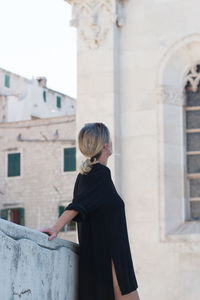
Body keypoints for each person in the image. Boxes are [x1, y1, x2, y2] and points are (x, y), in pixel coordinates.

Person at [39, 122, 140, 300]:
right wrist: (55, 227)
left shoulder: (86, 175)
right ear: (106, 146)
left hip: (111, 261)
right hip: (114, 262)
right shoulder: (99, 174)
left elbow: (80, 205)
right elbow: (77, 205)